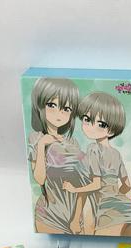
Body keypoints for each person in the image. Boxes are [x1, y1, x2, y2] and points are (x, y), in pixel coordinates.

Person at [63, 92, 131, 237]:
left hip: (107, 210)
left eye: (101, 124)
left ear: (111, 130)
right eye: (87, 119)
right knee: (128, 245)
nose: (90, 126)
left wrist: (74, 189)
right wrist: (116, 196)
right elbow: (126, 186)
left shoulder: (93, 149)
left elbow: (96, 184)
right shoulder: (116, 154)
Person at [27, 77, 89, 234]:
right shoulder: (35, 138)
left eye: (66, 109)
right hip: (47, 213)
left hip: (73, 213)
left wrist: (76, 217)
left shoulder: (73, 143)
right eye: (51, 105)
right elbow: (39, 179)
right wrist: (42, 145)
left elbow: (83, 184)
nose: (58, 113)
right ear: (40, 105)